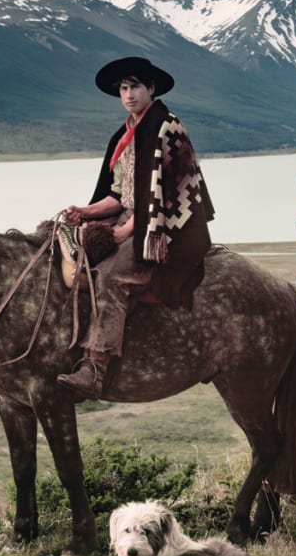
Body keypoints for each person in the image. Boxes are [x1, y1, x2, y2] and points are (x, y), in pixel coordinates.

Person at [56, 57, 215, 399]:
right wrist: (84, 211)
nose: (128, 94)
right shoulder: (125, 135)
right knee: (71, 254)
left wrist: (126, 231)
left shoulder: (167, 128)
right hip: (133, 218)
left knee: (113, 275)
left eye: (135, 87)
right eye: (123, 89)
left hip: (167, 228)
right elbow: (118, 195)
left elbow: (171, 197)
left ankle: (96, 368)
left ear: (151, 89)